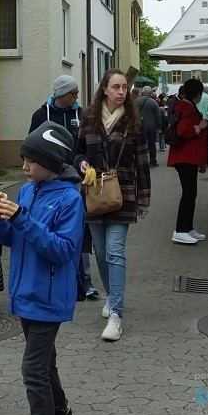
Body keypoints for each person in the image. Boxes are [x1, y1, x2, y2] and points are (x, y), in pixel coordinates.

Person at [0, 122, 84, 415]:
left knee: (33, 370)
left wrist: (22, 219)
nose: (24, 166)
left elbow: (64, 250)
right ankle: (59, 410)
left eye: (31, 161)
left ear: (51, 162)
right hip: (25, 293)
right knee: (45, 363)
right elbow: (15, 239)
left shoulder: (70, 199)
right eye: (24, 159)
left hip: (48, 298)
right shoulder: (26, 191)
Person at [73, 69, 150, 342]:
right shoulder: (89, 118)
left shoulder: (133, 121)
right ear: (104, 89)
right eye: (115, 87)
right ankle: (110, 296)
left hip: (123, 193)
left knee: (115, 252)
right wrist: (81, 162)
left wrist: (144, 199)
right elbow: (77, 150)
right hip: (94, 193)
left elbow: (142, 161)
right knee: (102, 254)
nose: (121, 92)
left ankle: (116, 314)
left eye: (124, 87)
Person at [28, 75, 99, 300]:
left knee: (77, 229)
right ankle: (51, 276)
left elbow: (88, 144)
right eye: (73, 93)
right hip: (49, 181)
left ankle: (84, 279)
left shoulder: (82, 115)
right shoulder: (41, 115)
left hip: (76, 180)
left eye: (77, 93)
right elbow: (31, 146)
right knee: (49, 229)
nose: (77, 96)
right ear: (61, 94)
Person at [167, 78, 208, 245]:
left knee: (190, 193)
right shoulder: (187, 108)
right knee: (189, 194)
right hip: (185, 157)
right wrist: (200, 126)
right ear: (197, 94)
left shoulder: (185, 105)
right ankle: (181, 230)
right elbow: (183, 131)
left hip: (187, 157)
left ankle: (188, 227)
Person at [28, 75, 83, 139]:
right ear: (62, 93)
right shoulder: (41, 115)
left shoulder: (81, 114)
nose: (76, 97)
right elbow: (32, 143)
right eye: (74, 93)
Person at [135, 85, 161, 168]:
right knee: (151, 144)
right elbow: (158, 116)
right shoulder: (153, 102)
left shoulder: (136, 101)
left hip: (139, 126)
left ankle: (140, 161)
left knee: (139, 145)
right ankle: (153, 161)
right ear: (150, 93)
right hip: (151, 127)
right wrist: (158, 126)